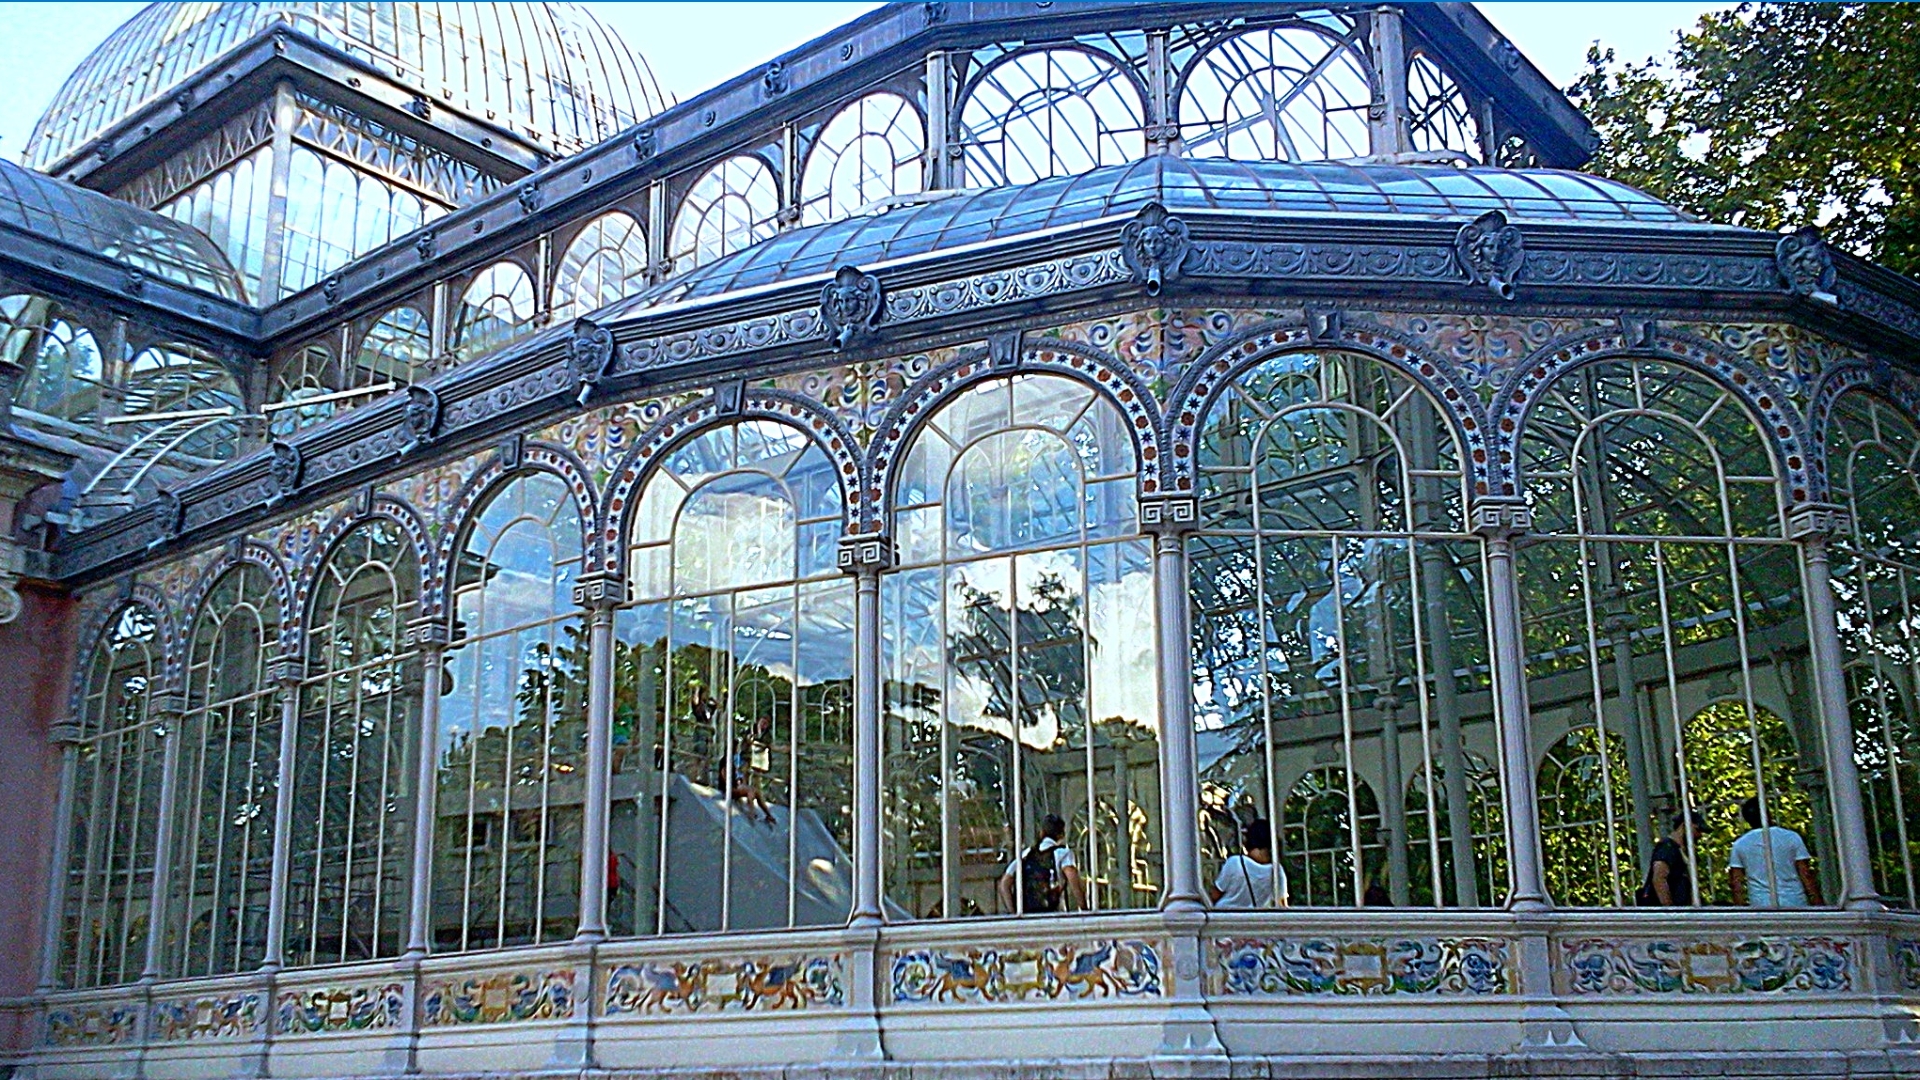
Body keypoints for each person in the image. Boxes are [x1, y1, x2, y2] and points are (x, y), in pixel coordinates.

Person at [1727, 796, 1825, 907]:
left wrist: (1740, 908)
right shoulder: (1791, 837)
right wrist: (1818, 902)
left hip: (1760, 904)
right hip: (1795, 901)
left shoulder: (1740, 844)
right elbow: (1805, 873)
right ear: (1768, 814)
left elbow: (1736, 882)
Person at [998, 813, 1085, 913]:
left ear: (1042, 833)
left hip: (1027, 915)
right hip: (1053, 914)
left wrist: (1014, 912)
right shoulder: (1063, 853)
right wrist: (1084, 908)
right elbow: (1073, 880)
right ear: (1061, 835)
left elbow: (1004, 884)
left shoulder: (1026, 854)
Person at [1208, 818, 1287, 908]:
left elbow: (1215, 895)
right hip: (1251, 915)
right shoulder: (1277, 871)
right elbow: (1282, 904)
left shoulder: (1235, 862)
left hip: (1224, 913)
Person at [1637, 810, 1704, 906]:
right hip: (1664, 911)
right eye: (1697, 830)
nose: (1700, 835)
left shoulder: (1682, 851)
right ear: (1684, 826)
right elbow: (1659, 878)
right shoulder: (1667, 848)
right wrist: (1669, 908)